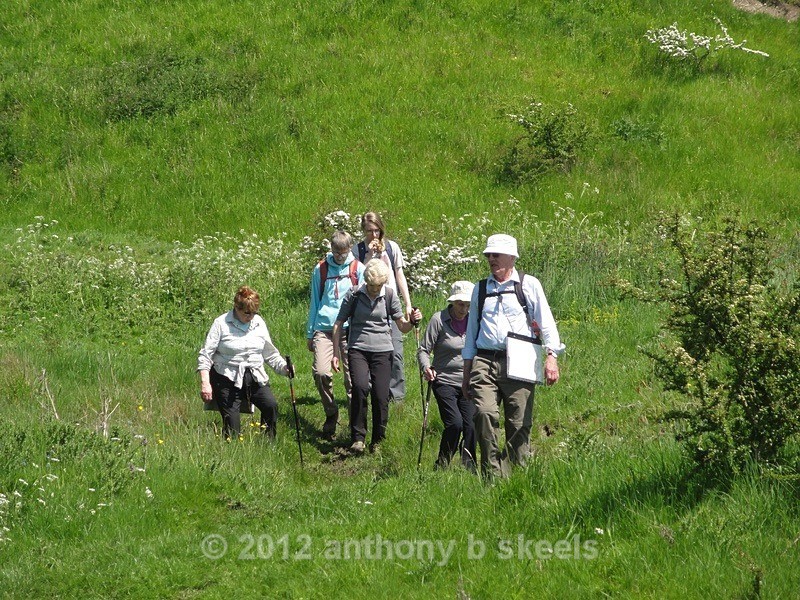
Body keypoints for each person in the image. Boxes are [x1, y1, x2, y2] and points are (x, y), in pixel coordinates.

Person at [462, 234, 564, 479]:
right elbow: (471, 333)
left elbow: (547, 323)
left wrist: (552, 356)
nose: (491, 259)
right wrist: (466, 374)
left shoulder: (528, 285)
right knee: (484, 413)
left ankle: (518, 478)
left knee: (518, 425)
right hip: (484, 361)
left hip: (520, 361)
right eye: (488, 255)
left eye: (495, 255)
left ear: (511, 257)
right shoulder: (481, 288)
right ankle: (493, 478)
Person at [331, 259, 422, 454]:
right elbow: (338, 323)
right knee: (360, 387)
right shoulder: (354, 294)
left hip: (383, 350)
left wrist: (412, 321)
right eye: (371, 286)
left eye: (378, 286)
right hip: (357, 348)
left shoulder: (389, 295)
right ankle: (358, 437)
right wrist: (336, 353)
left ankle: (379, 440)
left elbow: (403, 327)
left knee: (381, 396)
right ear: (366, 282)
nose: (374, 290)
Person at [198, 285, 294, 439]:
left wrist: (284, 368)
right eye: (247, 313)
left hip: (254, 376)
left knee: (271, 406)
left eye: (254, 313)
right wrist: (205, 383)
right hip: (226, 378)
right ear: (236, 307)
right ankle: (231, 451)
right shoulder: (221, 323)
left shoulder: (258, 322)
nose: (250, 317)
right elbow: (205, 355)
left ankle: (267, 444)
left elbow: (269, 353)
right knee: (232, 428)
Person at [306, 230, 365, 439]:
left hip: (350, 330)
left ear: (350, 249)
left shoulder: (358, 268)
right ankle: (331, 413)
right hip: (324, 328)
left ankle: (354, 424)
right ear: (331, 249)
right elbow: (315, 301)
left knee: (353, 379)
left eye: (343, 252)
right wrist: (310, 333)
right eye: (336, 252)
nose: (339, 256)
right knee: (321, 373)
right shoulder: (321, 269)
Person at [417, 280, 477, 471]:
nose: (464, 309)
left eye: (468, 305)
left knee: (472, 426)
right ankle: (441, 464)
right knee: (455, 424)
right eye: (460, 304)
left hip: (468, 381)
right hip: (443, 380)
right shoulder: (439, 320)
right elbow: (423, 350)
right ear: (453, 302)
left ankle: (469, 465)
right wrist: (426, 367)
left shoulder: (475, 321)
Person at [354, 212, 412, 401]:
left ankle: (397, 396)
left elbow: (399, 275)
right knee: (370, 352)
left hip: (390, 302)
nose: (374, 235)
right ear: (363, 230)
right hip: (368, 306)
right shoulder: (358, 250)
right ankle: (373, 393)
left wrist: (408, 303)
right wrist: (370, 254)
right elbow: (359, 276)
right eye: (369, 231)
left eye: (377, 230)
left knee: (395, 352)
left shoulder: (392, 248)